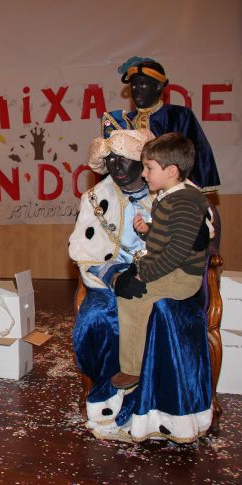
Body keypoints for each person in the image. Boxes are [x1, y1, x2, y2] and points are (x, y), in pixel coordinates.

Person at [70, 124, 214, 443]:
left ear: (143, 161)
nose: (115, 168)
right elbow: (84, 253)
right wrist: (116, 276)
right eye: (109, 161)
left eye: (123, 159)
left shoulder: (176, 190)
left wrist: (199, 237)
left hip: (166, 273)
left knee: (163, 312)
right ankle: (109, 404)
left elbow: (197, 233)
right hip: (111, 277)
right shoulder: (95, 198)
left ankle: (163, 414)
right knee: (98, 317)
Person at [112, 133, 212, 389]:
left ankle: (133, 368)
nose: (144, 174)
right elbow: (171, 232)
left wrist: (145, 275)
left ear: (171, 171)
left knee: (132, 298)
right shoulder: (172, 195)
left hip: (181, 275)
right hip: (171, 267)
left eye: (149, 168)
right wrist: (148, 229)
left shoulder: (185, 201)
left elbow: (177, 251)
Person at [102, 56, 220, 192]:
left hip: (171, 192)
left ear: (158, 86)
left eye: (142, 84)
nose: (136, 89)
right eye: (133, 85)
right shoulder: (122, 122)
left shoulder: (179, 116)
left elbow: (197, 155)